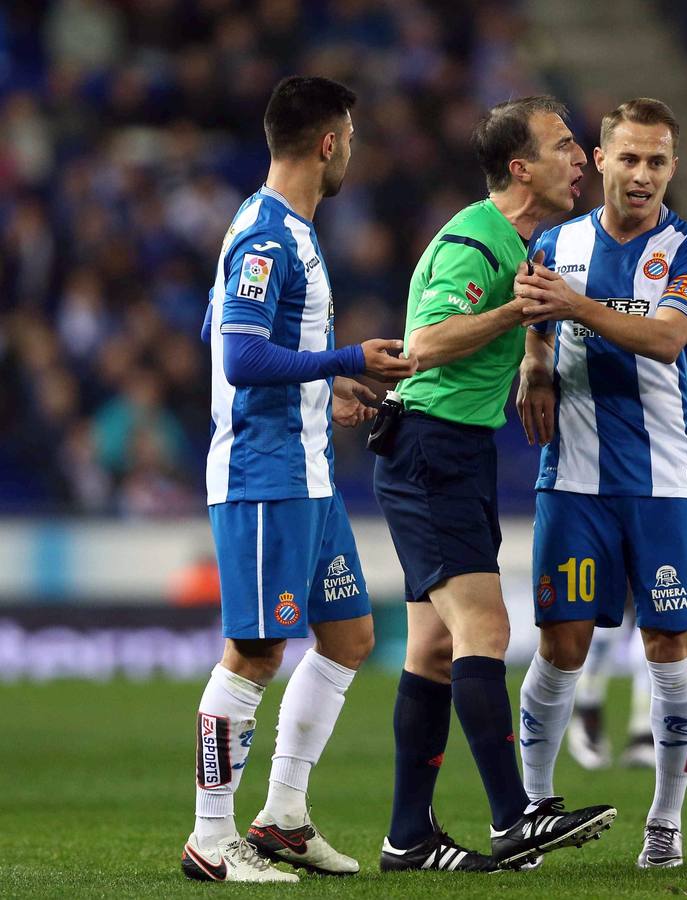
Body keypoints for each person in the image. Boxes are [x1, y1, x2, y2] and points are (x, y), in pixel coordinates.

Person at [183, 75, 417, 883]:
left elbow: (224, 327)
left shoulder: (283, 229)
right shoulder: (268, 236)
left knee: (349, 637)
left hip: (308, 477)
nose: (351, 149)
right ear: (328, 142)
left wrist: (329, 383)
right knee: (252, 651)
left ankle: (282, 816)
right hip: (263, 475)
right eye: (348, 136)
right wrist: (346, 357)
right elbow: (239, 358)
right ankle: (211, 838)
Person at [372, 95, 615, 874]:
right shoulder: (474, 243)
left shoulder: (521, 241)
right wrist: (518, 314)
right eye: (564, 145)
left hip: (452, 450)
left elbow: (525, 317)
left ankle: (407, 837)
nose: (580, 158)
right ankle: (514, 819)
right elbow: (426, 342)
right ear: (521, 168)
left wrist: (534, 354)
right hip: (430, 451)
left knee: (434, 648)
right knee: (486, 631)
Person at [513, 97, 687, 869]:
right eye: (628, 158)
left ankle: (664, 821)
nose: (641, 175)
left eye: (657, 161)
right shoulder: (553, 241)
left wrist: (576, 306)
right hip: (570, 478)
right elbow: (534, 314)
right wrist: (536, 359)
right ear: (599, 160)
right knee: (561, 644)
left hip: (664, 482)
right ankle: (530, 811)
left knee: (669, 645)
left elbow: (667, 338)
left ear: (672, 167)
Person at [564, 302, 687, 772]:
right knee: (610, 601)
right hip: (602, 462)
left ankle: (639, 729)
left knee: (658, 609)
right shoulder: (600, 282)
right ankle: (586, 705)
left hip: (669, 470)